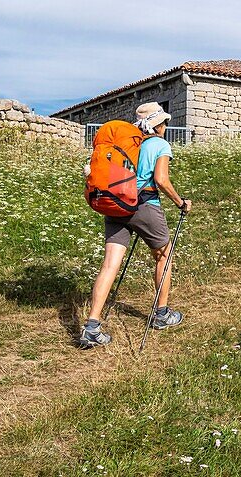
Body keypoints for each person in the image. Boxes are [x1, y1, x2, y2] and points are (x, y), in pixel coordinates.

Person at [80, 102, 192, 348]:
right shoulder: (159, 144)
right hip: (145, 206)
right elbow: (161, 179)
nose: (166, 126)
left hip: (116, 204)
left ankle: (92, 326)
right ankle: (162, 315)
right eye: (164, 122)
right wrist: (180, 202)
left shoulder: (128, 144)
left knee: (110, 264)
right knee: (164, 256)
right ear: (158, 124)